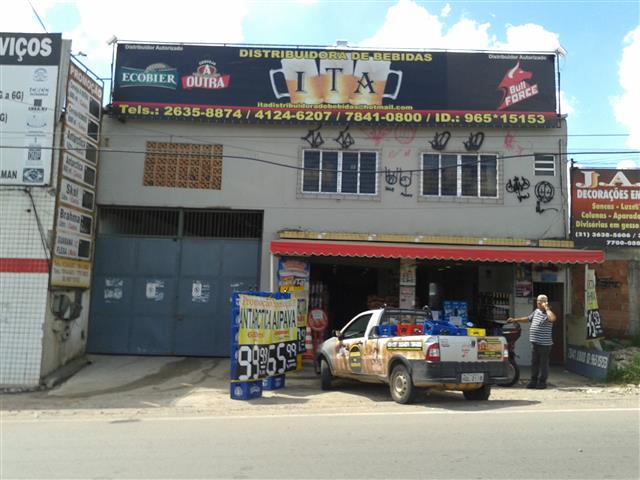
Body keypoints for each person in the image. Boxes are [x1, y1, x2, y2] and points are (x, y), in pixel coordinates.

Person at [507, 294, 556, 389]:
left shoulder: (548, 313)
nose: (538, 303)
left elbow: (553, 319)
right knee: (534, 363)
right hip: (535, 343)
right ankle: (533, 381)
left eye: (541, 301)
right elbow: (528, 319)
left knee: (543, 364)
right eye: (537, 301)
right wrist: (515, 320)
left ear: (545, 302)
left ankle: (542, 382)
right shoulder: (536, 311)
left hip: (544, 345)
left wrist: (546, 308)